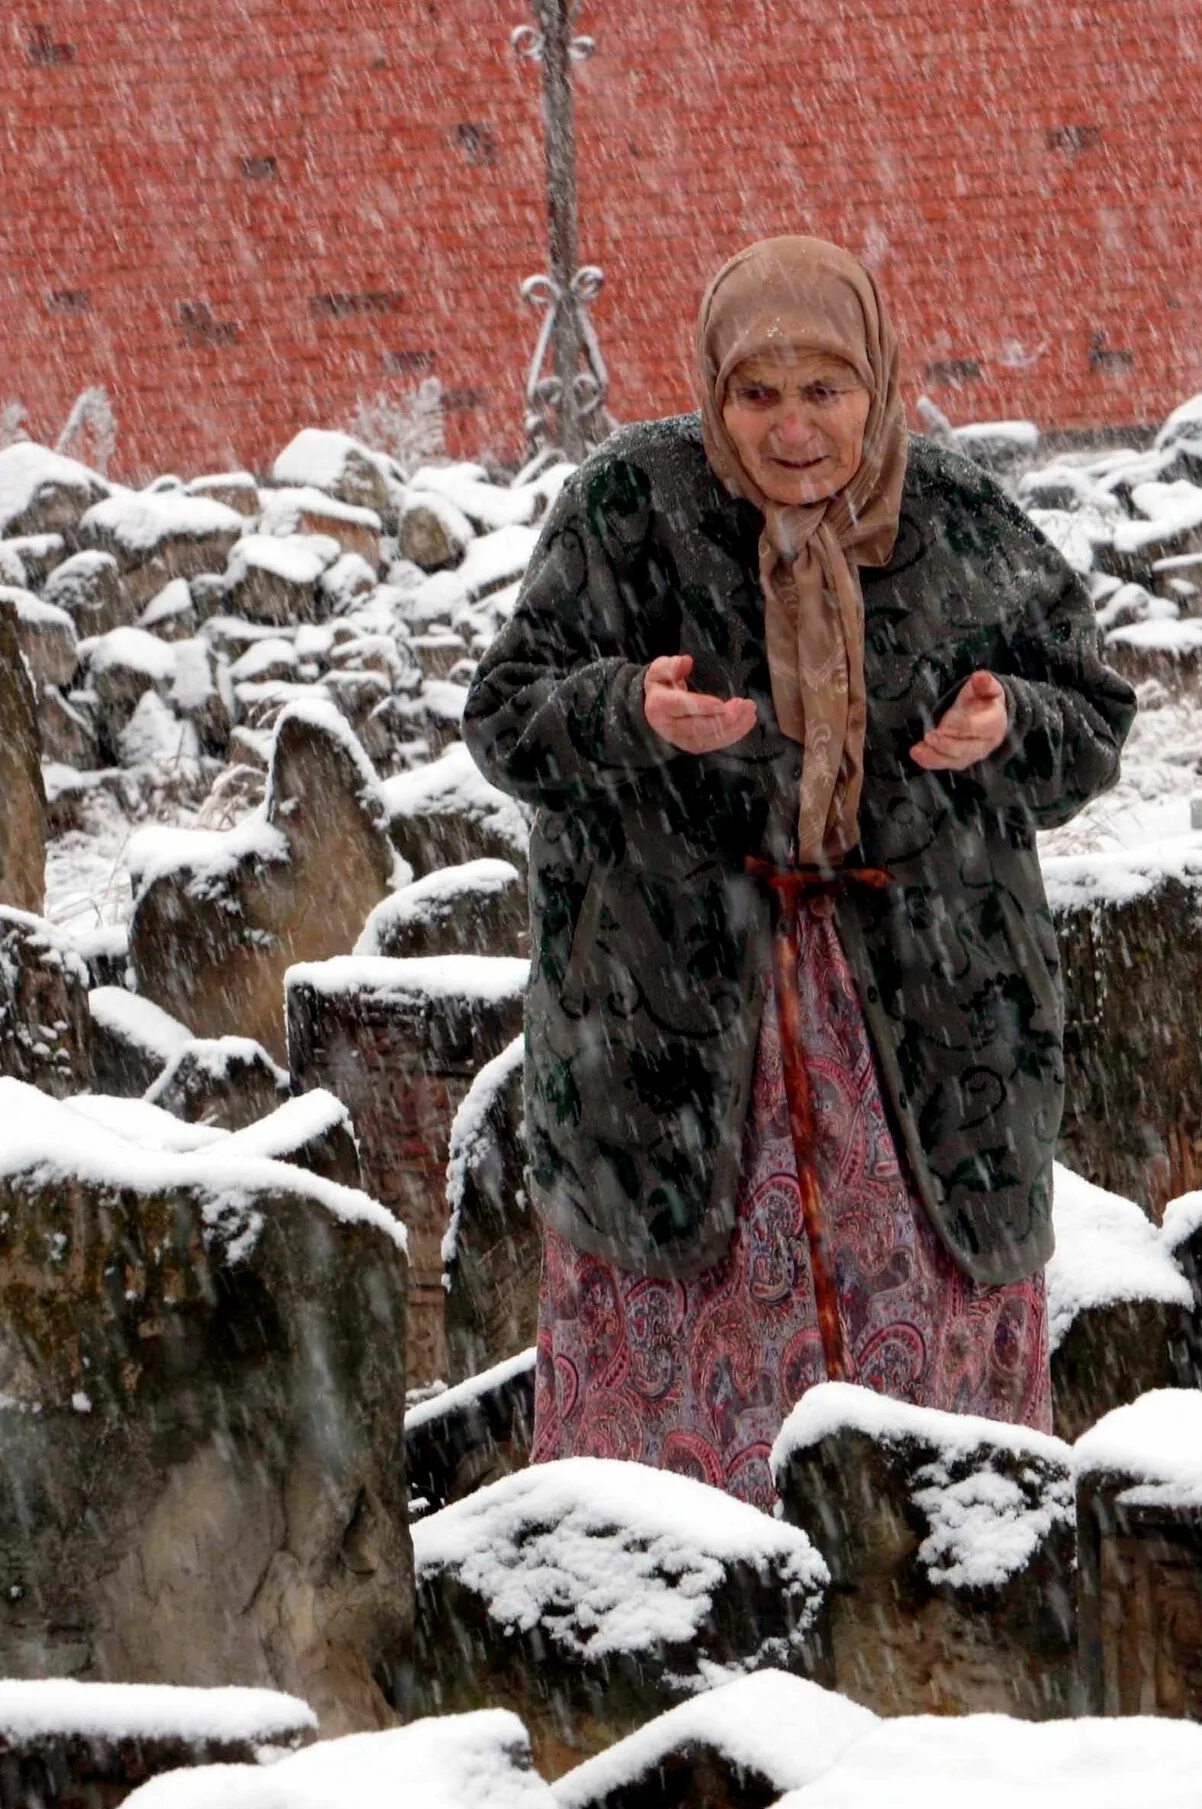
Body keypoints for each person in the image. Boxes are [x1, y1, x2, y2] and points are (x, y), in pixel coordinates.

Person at [465, 234, 1136, 1503]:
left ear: (878, 386)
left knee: (927, 1401)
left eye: (825, 391)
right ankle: (689, 1644)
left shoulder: (958, 524)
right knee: (679, 1396)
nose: (792, 430)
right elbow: (503, 715)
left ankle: (925, 1637)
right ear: (712, 395)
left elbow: (1093, 715)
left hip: (923, 1038)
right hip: (675, 1033)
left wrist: (1012, 730)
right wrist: (626, 712)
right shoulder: (632, 511)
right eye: (757, 395)